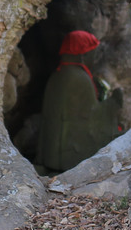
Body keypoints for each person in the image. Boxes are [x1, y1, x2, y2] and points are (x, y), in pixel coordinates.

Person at [37, 30, 123, 173]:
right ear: (83, 54)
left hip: (51, 152)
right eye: (92, 52)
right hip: (70, 154)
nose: (94, 57)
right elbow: (91, 117)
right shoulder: (79, 78)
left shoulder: (57, 74)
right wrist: (114, 103)